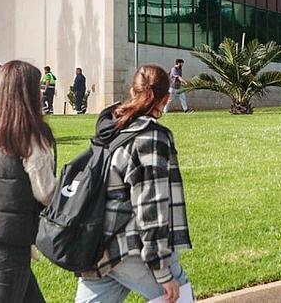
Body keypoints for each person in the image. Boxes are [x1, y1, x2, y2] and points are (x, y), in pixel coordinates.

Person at [77, 64, 194, 303]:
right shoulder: (151, 138)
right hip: (129, 247)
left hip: (99, 244)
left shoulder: (111, 129)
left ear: (132, 91)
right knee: (180, 296)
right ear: (165, 98)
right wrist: (162, 270)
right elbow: (151, 207)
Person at [0, 60, 57, 303]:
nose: (41, 92)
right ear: (26, 93)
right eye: (37, 87)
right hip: (8, 242)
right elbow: (45, 192)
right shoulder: (31, 134)